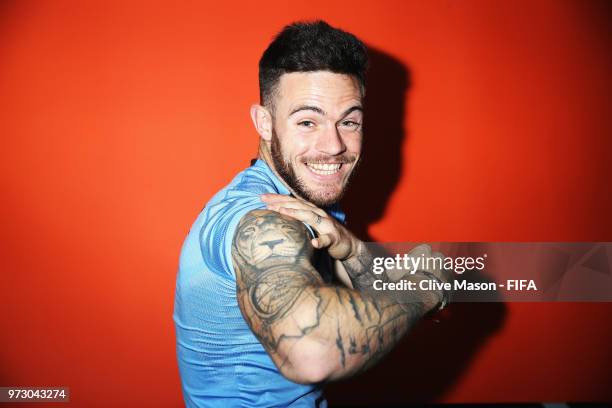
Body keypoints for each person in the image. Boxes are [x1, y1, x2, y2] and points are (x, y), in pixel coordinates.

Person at [173, 20, 450, 408]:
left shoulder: (309, 205)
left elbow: (361, 304)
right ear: (265, 123)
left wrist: (352, 250)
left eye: (349, 122)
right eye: (308, 121)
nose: (334, 145)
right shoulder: (262, 219)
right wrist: (422, 293)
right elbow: (312, 352)